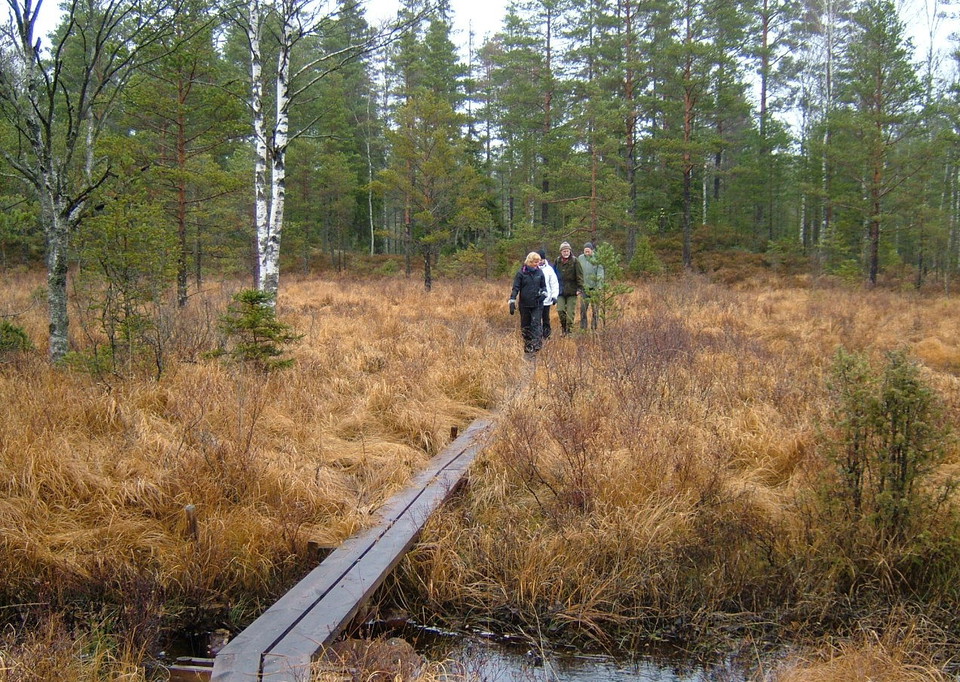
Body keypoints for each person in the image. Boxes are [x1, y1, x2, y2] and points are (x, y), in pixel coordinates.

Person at [508, 252, 547, 354]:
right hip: (524, 304)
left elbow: (544, 286)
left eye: (538, 262)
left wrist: (544, 294)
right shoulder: (521, 273)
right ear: (529, 261)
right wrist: (512, 300)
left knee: (536, 323)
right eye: (535, 262)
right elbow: (516, 288)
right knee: (525, 326)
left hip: (537, 303)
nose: (537, 264)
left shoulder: (540, 273)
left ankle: (536, 346)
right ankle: (528, 345)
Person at [553, 241, 582, 336]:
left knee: (570, 313)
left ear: (570, 251)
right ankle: (564, 328)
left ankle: (569, 331)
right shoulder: (557, 261)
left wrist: (580, 288)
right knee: (560, 310)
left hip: (572, 291)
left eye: (567, 251)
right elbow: (553, 275)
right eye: (564, 251)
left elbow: (580, 276)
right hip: (560, 291)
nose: (566, 253)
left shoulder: (575, 261)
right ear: (561, 252)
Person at [578, 242, 605, 330]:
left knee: (595, 310)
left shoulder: (597, 258)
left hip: (594, 289)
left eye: (588, 250)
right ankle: (583, 328)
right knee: (583, 309)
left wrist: (599, 286)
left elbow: (600, 273)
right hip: (584, 289)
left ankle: (594, 328)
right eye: (585, 250)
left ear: (592, 250)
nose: (586, 251)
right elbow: (578, 272)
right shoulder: (580, 258)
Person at [537, 249, 559, 340]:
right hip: (536, 299)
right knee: (536, 319)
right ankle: (537, 335)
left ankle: (546, 336)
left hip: (547, 299)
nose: (540, 261)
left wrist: (554, 296)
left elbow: (554, 283)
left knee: (545, 318)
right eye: (538, 259)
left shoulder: (549, 269)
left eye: (541, 259)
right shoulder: (533, 268)